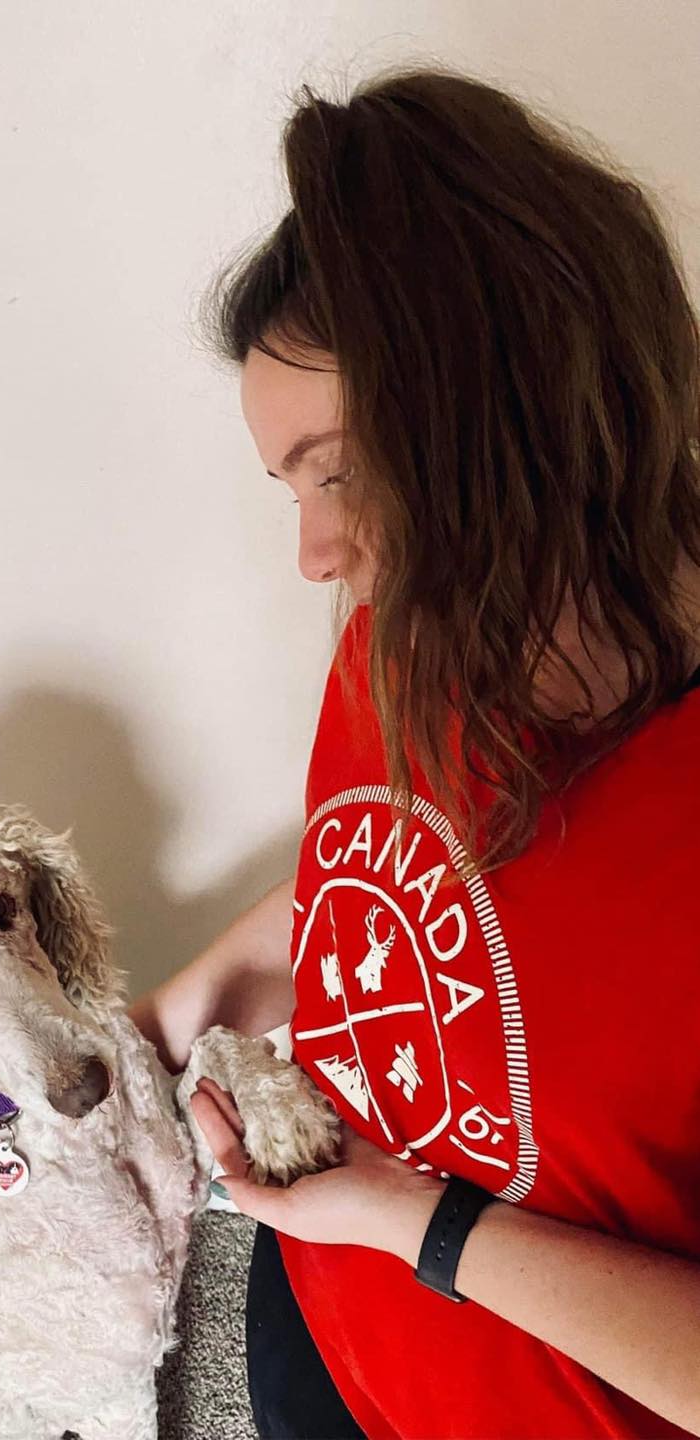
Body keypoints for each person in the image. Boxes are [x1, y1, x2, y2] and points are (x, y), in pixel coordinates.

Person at [128, 63, 700, 1440]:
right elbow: (386, 890)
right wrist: (159, 1029)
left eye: (340, 467)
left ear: (509, 402)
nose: (318, 551)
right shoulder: (413, 630)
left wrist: (415, 1222)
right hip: (323, 1322)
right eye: (292, 486)